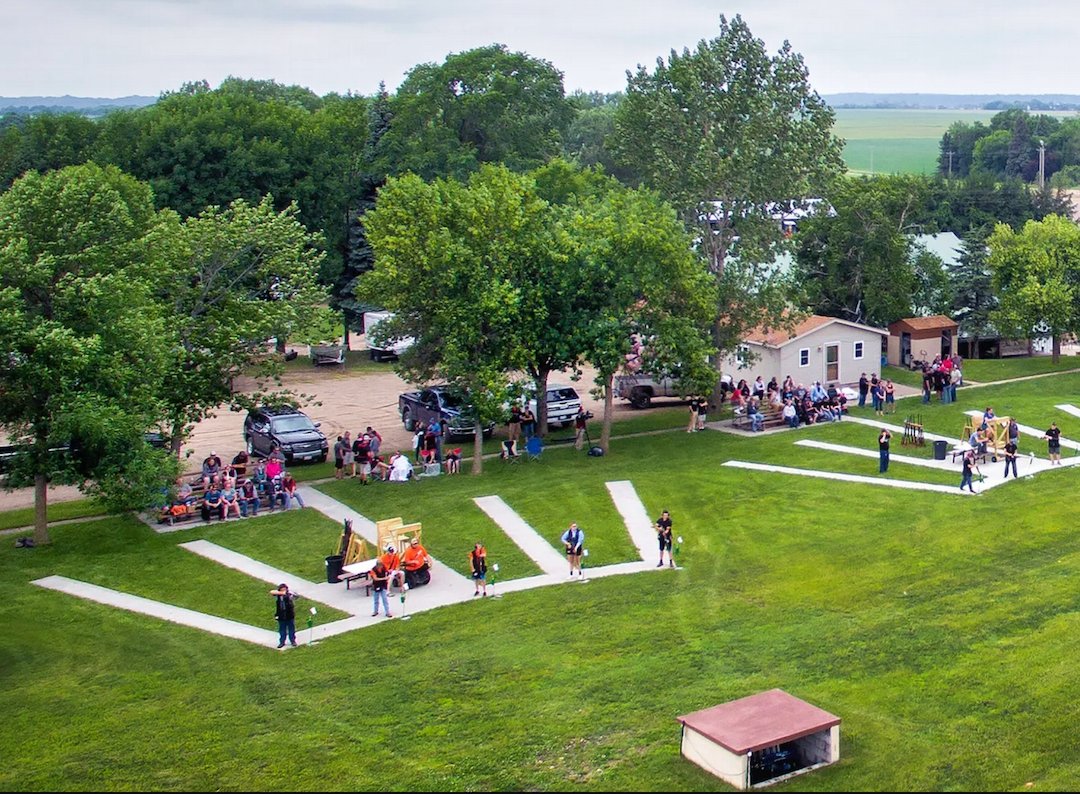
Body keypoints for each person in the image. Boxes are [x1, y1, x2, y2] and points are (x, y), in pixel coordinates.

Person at [270, 583, 298, 647]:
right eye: (282, 590)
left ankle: (293, 641)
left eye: (284, 589)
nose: (283, 591)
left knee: (291, 629)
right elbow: (271, 592)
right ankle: (282, 642)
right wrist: (281, 593)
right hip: (281, 615)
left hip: (289, 615)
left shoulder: (289, 595)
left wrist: (289, 594)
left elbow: (296, 596)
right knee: (282, 630)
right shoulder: (278, 595)